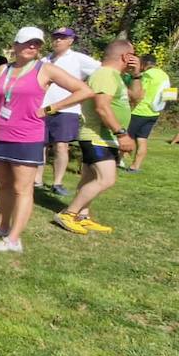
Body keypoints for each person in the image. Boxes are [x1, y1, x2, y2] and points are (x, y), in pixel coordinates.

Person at [0, 27, 94, 252]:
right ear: (15, 45)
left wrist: (50, 108)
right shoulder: (4, 69)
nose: (32, 46)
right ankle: (1, 227)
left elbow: (84, 90)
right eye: (27, 42)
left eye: (37, 43)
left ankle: (14, 240)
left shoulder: (45, 69)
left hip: (26, 137)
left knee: (22, 189)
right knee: (3, 185)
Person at [54, 40, 142, 235]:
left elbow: (136, 97)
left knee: (89, 178)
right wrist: (122, 134)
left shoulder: (116, 76)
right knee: (106, 179)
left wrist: (137, 75)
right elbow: (102, 107)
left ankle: (82, 216)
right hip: (97, 136)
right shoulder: (105, 75)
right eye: (133, 54)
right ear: (126, 56)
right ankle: (68, 214)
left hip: (105, 137)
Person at [36, 27, 101, 195]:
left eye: (62, 38)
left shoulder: (78, 58)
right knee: (40, 145)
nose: (58, 40)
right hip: (43, 108)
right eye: (55, 37)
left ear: (71, 41)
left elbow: (100, 72)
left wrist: (86, 90)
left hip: (66, 109)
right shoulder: (44, 60)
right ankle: (37, 180)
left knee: (61, 146)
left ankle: (57, 183)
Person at [124, 54, 171, 173]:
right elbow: (169, 96)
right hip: (154, 113)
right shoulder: (164, 75)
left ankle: (117, 160)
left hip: (139, 111)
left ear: (143, 64)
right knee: (142, 139)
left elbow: (139, 93)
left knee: (126, 137)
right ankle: (135, 166)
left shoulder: (146, 75)